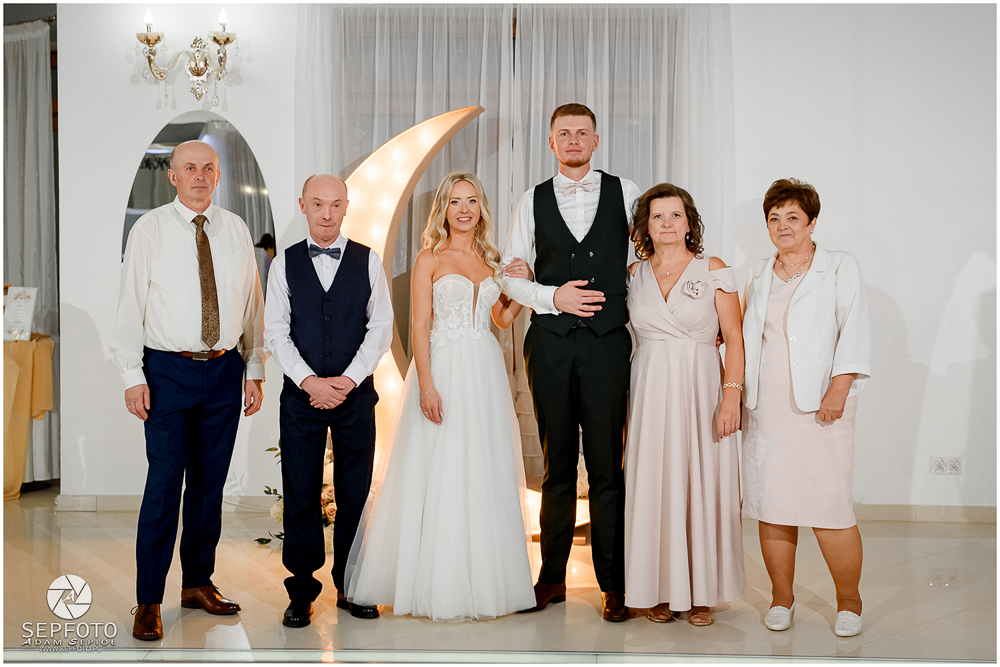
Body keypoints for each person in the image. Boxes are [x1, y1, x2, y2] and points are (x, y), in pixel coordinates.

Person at [345, 172, 536, 621]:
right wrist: (427, 385)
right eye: (455, 201)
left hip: (483, 370)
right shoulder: (429, 258)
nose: (464, 209)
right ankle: (430, 581)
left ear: (481, 207)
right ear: (444, 210)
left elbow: (502, 319)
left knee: (482, 464)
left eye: (471, 201)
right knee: (438, 463)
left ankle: (486, 581)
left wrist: (523, 288)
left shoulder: (492, 259)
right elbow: (419, 325)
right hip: (443, 368)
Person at [110, 140, 266, 641]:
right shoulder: (150, 229)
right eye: (190, 168)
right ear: (173, 176)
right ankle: (149, 600)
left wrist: (255, 366)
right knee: (163, 487)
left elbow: (252, 303)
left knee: (208, 486)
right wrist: (132, 376)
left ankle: (197, 583)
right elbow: (130, 306)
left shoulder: (235, 228)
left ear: (218, 176)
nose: (200, 176)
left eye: (208, 168)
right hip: (166, 373)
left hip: (223, 371)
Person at [502, 103, 642, 621]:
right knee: (556, 466)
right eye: (565, 133)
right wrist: (552, 296)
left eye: (583, 133)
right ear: (552, 142)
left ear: (596, 141)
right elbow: (511, 276)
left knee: (608, 467)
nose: (574, 140)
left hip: (608, 346)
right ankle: (552, 579)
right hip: (551, 344)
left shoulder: (627, 193)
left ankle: (614, 585)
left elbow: (646, 260)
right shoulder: (531, 199)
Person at [741, 178, 871, 637]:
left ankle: (849, 602)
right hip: (766, 410)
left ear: (812, 222)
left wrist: (840, 387)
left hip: (821, 408)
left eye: (792, 217)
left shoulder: (838, 266)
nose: (782, 226)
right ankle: (782, 598)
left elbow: (854, 327)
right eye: (774, 218)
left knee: (830, 509)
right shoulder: (757, 273)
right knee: (773, 506)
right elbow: (740, 334)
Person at [263, 174, 394, 627]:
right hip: (300, 399)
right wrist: (309, 382)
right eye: (318, 204)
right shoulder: (283, 264)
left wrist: (347, 380)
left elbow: (380, 328)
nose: (327, 214)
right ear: (303, 205)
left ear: (347, 206)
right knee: (300, 493)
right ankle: (301, 592)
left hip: (355, 397)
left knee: (355, 492)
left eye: (336, 205)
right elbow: (276, 332)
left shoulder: (368, 260)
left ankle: (352, 586)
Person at [623, 184, 746, 626]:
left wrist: (731, 396)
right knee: (655, 482)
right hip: (650, 388)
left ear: (690, 222)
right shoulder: (632, 274)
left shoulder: (713, 270)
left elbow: (735, 339)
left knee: (700, 481)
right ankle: (659, 589)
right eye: (658, 216)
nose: (668, 224)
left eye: (676, 215)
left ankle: (701, 593)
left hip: (701, 389)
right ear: (646, 226)